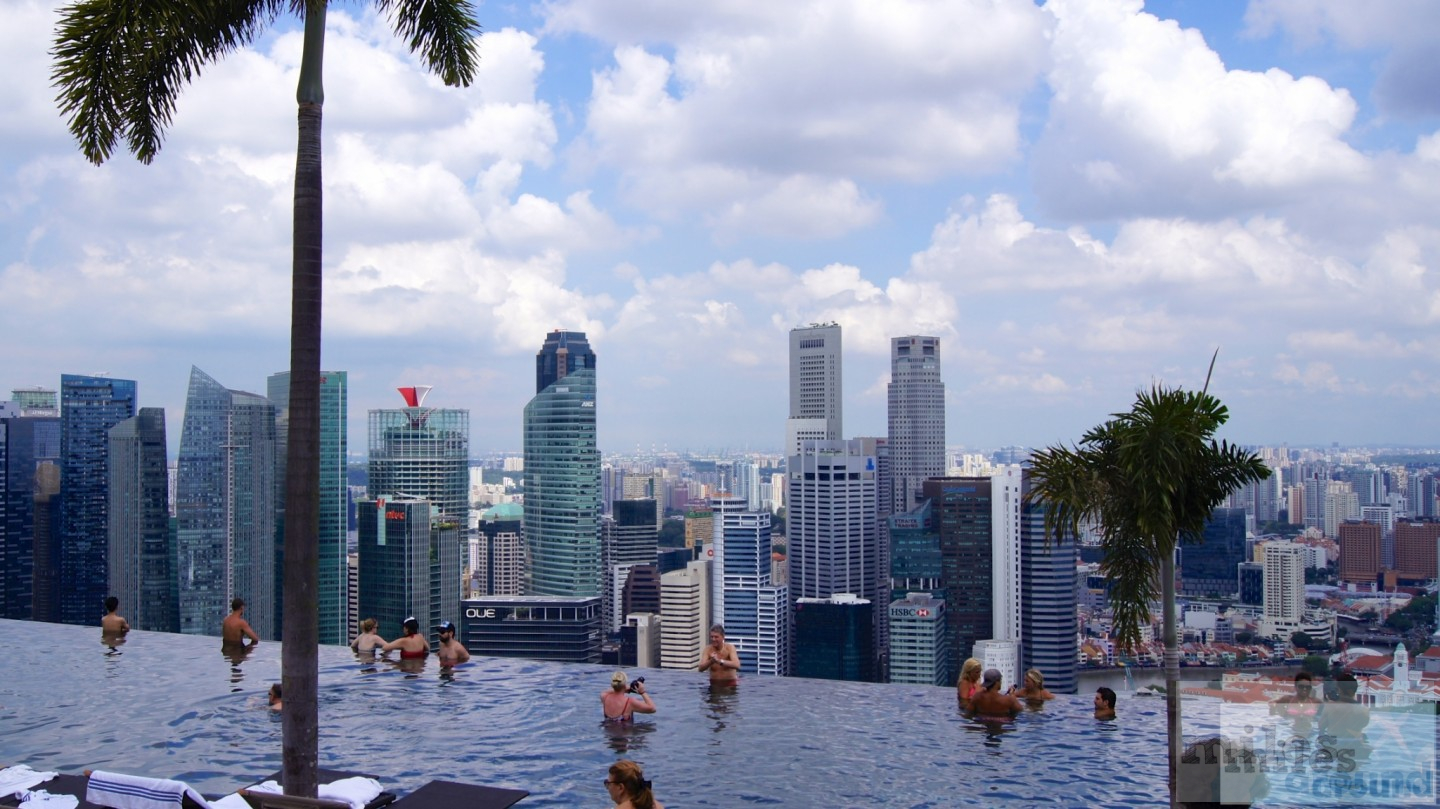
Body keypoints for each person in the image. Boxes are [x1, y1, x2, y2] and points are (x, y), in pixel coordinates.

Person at [1270, 671, 1320, 735]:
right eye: (1301, 686)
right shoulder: (1288, 699)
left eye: (1307, 687)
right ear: (1296, 686)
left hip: (1310, 732)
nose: (1305, 689)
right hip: (1292, 732)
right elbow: (1273, 703)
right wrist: (1275, 708)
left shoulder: (1315, 701)